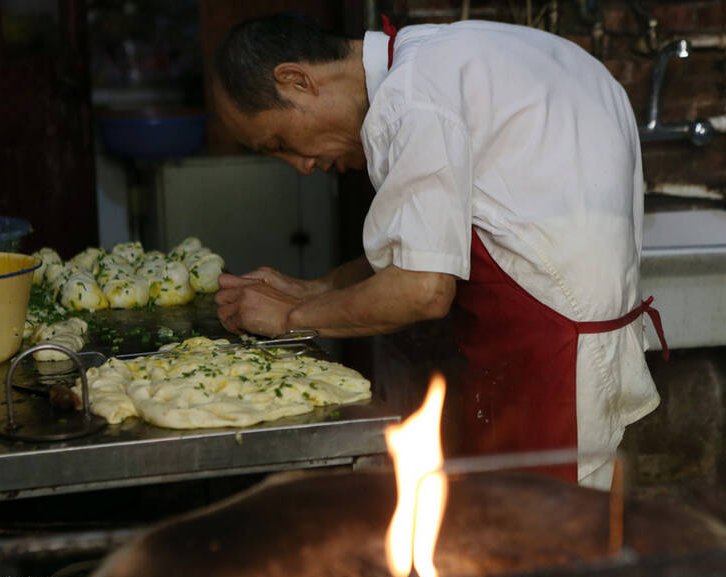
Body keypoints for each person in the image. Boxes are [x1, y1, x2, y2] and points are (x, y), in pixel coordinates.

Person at [212, 11, 667, 488]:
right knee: (546, 533)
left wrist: (287, 319)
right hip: (564, 349)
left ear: (297, 81)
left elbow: (421, 289)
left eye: (281, 141)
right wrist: (313, 290)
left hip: (550, 361)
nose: (301, 166)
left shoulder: (413, 96)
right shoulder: (448, 57)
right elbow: (435, 239)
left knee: (541, 543)